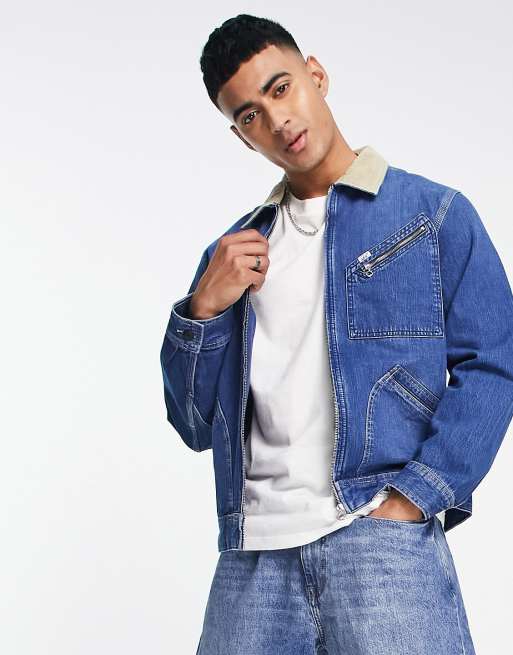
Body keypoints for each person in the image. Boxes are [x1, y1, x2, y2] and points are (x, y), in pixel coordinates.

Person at [160, 14, 513, 654]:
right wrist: (203, 309)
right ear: (241, 137)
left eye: (281, 88)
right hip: (253, 558)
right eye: (249, 115)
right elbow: (193, 424)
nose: (276, 121)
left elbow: (493, 363)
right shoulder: (232, 255)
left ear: (316, 75)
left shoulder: (432, 215)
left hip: (378, 540)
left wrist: (416, 496)